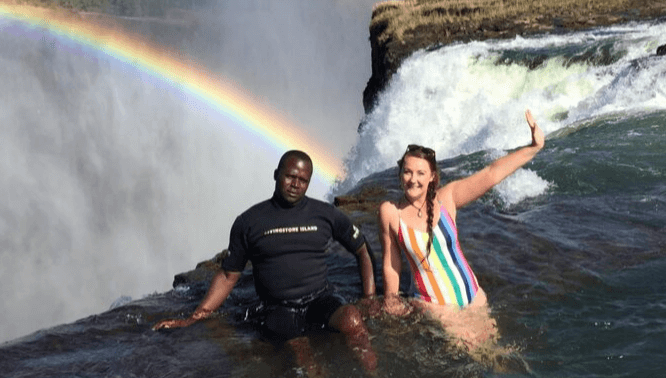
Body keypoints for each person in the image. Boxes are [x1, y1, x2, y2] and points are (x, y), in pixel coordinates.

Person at [154, 150, 377, 372]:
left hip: (320, 297)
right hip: (279, 308)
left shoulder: (326, 214)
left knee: (352, 319)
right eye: (290, 176)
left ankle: (374, 374)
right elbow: (228, 275)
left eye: (303, 180)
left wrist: (370, 298)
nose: (295, 184)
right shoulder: (249, 221)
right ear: (276, 174)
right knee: (301, 353)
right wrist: (195, 317)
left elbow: (362, 250)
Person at [377, 110, 545, 351]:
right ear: (400, 174)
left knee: (503, 357)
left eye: (420, 173)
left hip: (474, 295)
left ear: (432, 176)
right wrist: (391, 300)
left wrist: (533, 148)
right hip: (437, 305)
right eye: (407, 171)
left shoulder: (447, 198)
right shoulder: (391, 212)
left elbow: (491, 174)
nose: (413, 179)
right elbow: (391, 264)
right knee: (481, 357)